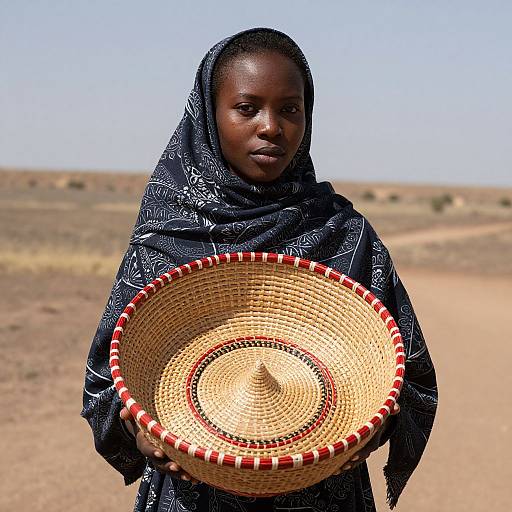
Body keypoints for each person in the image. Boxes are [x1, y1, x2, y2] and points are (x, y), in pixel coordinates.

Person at [82, 27, 437, 511]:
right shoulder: (166, 237)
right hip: (192, 497)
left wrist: (372, 431)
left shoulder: (346, 236)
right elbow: (105, 384)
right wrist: (140, 434)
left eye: (290, 109)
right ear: (209, 114)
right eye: (247, 108)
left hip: (324, 496)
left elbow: (411, 377)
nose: (271, 126)